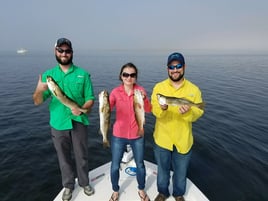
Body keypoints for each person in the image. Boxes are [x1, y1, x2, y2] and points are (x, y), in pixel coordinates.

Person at [32, 38, 95, 201]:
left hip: (79, 120)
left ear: (72, 53)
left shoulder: (83, 74)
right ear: (55, 52)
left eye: (67, 51)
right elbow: (37, 101)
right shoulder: (48, 76)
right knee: (63, 157)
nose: (64, 54)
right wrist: (38, 90)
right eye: (61, 50)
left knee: (82, 155)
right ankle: (68, 186)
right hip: (58, 123)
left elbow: (90, 98)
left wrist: (83, 110)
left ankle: (84, 183)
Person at [151, 52, 204, 201]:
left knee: (181, 172)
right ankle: (162, 193)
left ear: (184, 67)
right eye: (172, 67)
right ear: (167, 69)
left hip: (183, 140)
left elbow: (198, 112)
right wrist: (162, 109)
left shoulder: (194, 90)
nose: (175, 70)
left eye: (178, 66)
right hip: (162, 139)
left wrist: (188, 113)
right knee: (162, 172)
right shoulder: (158, 87)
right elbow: (154, 110)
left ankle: (178, 194)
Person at [109, 63, 152, 201]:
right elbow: (107, 109)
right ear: (121, 76)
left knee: (140, 164)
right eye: (126, 74)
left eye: (132, 75)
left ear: (136, 77)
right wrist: (103, 102)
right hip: (118, 135)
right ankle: (115, 190)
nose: (129, 77)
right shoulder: (115, 92)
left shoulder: (141, 90)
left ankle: (141, 189)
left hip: (137, 134)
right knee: (115, 165)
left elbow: (149, 110)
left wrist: (144, 100)